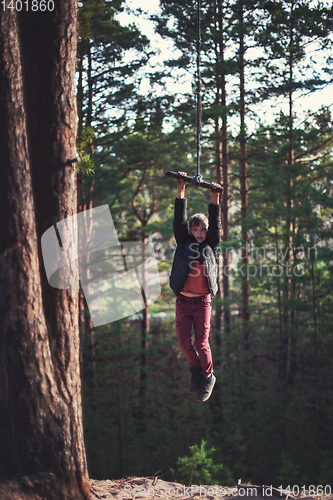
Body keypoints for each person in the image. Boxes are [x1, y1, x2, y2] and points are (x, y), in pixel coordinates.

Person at [169, 171, 222, 402]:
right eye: (196, 230)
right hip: (183, 301)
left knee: (201, 342)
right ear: (190, 231)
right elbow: (178, 220)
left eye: (203, 229)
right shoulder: (183, 241)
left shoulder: (211, 244)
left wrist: (215, 197)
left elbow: (216, 223)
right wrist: (181, 187)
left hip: (202, 302)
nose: (199, 233)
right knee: (183, 342)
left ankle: (208, 376)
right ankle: (196, 371)